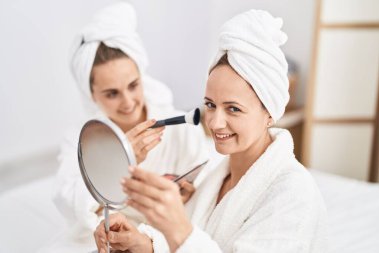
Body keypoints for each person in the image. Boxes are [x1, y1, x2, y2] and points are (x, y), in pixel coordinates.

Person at [94, 9, 327, 253]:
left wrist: (179, 230)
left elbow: (189, 240)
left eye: (233, 109)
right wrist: (145, 244)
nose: (214, 123)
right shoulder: (217, 177)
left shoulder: (293, 194)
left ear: (269, 113)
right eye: (210, 105)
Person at [45, 2, 209, 252]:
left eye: (133, 85)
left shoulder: (181, 127)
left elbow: (204, 199)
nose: (128, 102)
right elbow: (69, 203)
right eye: (112, 94)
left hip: (160, 236)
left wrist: (184, 199)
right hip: (103, 237)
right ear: (91, 95)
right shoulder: (81, 139)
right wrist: (119, 163)